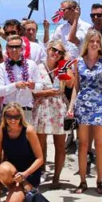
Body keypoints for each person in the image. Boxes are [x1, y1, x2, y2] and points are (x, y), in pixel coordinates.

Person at [68, 29, 102, 194]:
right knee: (82, 145)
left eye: (97, 41)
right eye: (92, 41)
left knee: (99, 144)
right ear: (87, 43)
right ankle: (82, 181)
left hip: (100, 104)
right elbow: (76, 87)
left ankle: (99, 181)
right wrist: (71, 107)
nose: (95, 44)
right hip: (83, 104)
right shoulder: (78, 62)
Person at [32, 40, 73, 188]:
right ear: (48, 49)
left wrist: (66, 63)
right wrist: (48, 92)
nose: (56, 54)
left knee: (60, 145)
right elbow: (33, 92)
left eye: (60, 52)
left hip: (59, 107)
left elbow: (70, 84)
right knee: (40, 144)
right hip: (42, 107)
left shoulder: (62, 67)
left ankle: (56, 177)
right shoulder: (37, 67)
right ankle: (41, 172)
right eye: (54, 50)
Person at [0, 103, 44, 202]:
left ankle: (26, 190)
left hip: (29, 173)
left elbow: (40, 158)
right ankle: (17, 190)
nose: (12, 120)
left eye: (16, 117)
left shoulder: (28, 131)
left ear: (21, 117)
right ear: (4, 117)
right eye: (9, 116)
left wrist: (25, 174)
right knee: (2, 168)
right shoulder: (1, 132)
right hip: (13, 174)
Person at [0, 35, 42, 122]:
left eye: (17, 47)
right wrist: (15, 85)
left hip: (26, 110)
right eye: (11, 47)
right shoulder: (1, 67)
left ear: (22, 48)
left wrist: (33, 86)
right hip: (8, 110)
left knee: (27, 134)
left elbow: (40, 87)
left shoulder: (32, 64)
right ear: (7, 49)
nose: (14, 50)